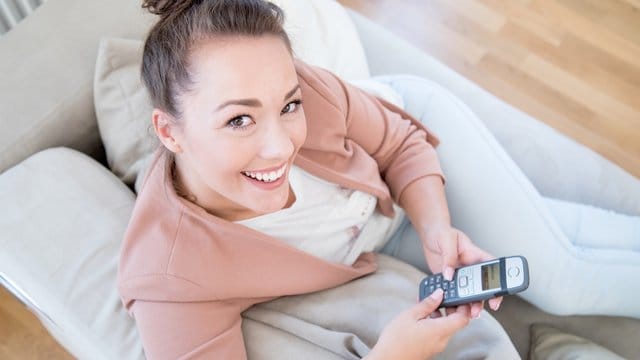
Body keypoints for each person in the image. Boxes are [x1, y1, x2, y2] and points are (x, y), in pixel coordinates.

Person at [117, 0, 520, 358]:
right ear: (169, 132)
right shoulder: (169, 278)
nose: (280, 148)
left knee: (560, 276)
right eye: (239, 119)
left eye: (289, 106)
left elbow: (402, 143)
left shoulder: (308, 89)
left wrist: (436, 227)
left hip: (404, 163)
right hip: (372, 244)